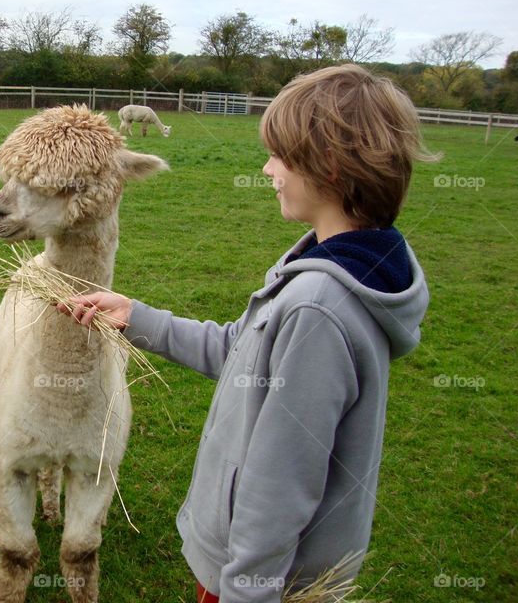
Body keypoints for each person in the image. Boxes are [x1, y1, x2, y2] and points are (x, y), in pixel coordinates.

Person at [58, 64, 436, 602]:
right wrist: (138, 317)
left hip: (258, 581)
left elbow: (280, 484)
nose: (266, 169)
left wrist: (245, 589)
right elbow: (243, 350)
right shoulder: (340, 265)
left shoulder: (319, 307)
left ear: (326, 165)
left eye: (278, 157)